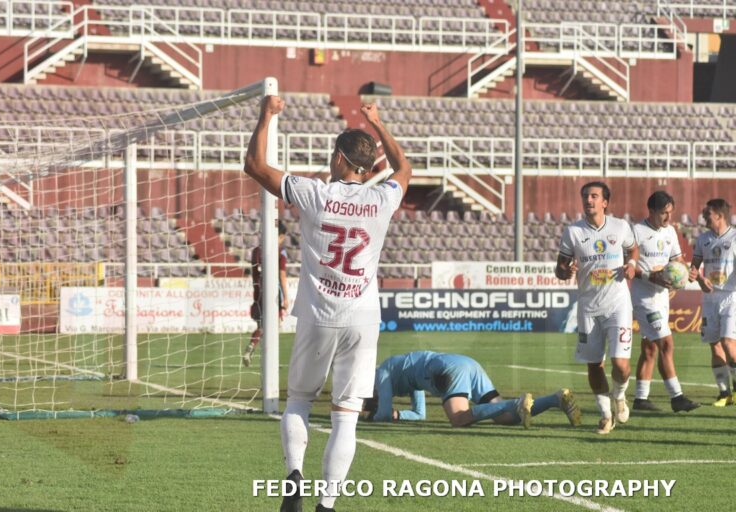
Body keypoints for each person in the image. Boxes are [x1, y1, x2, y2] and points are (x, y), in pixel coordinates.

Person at [244, 95, 411, 512]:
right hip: (363, 317)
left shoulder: (315, 193)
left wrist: (266, 116)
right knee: (346, 415)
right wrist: (377, 123)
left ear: (338, 158)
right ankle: (327, 503)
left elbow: (255, 166)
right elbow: (404, 168)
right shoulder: (381, 200)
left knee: (299, 399)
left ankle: (294, 476)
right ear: (370, 168)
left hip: (318, 312)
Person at [555, 181, 639, 435]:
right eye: (585, 196)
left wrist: (632, 263)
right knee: (594, 364)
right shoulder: (573, 232)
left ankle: (620, 396)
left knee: (621, 364)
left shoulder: (620, 226)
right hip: (589, 306)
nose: (588, 200)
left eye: (594, 196)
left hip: (618, 304)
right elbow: (560, 268)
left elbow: (633, 248)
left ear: (605, 202)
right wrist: (565, 270)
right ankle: (605, 415)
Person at [363, 351, 581, 429]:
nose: (371, 400)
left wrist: (369, 416)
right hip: (465, 363)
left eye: (368, 398)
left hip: (446, 368)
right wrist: (399, 415)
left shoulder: (383, 372)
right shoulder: (404, 372)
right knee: (504, 417)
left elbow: (381, 414)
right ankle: (556, 399)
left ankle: (517, 402)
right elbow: (420, 413)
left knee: (459, 418)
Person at [630, 192, 700, 413]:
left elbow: (677, 260)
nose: (668, 217)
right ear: (651, 211)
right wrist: (649, 276)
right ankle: (676, 397)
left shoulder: (670, 231)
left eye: (671, 212)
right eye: (664, 213)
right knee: (666, 344)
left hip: (662, 297)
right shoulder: (636, 231)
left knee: (650, 348)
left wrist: (686, 272)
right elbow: (628, 265)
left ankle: (640, 399)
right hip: (644, 299)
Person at [690, 198, 736, 406]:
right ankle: (724, 393)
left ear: (719, 215)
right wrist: (699, 277)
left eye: (707, 214)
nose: (703, 216)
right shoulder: (702, 239)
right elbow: (694, 268)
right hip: (709, 298)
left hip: (731, 296)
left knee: (728, 344)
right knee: (714, 345)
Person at [242, 220, 289, 367]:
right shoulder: (280, 251)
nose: (282, 240)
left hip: (259, 291)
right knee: (272, 326)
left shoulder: (256, 251)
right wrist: (286, 298)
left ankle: (251, 347)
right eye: (282, 237)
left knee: (262, 325)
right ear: (279, 236)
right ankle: (270, 361)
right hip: (274, 293)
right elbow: (282, 275)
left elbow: (254, 274)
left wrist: (257, 291)